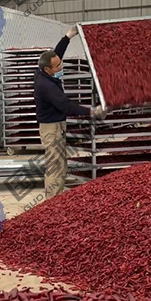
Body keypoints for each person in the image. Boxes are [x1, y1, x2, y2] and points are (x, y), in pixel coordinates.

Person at [35, 26, 106, 199]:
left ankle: (56, 197)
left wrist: (68, 36)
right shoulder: (47, 86)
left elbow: (56, 54)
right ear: (48, 70)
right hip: (51, 129)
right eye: (58, 66)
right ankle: (52, 202)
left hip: (56, 126)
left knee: (60, 164)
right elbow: (66, 106)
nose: (62, 66)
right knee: (55, 166)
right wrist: (92, 111)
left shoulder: (43, 72)